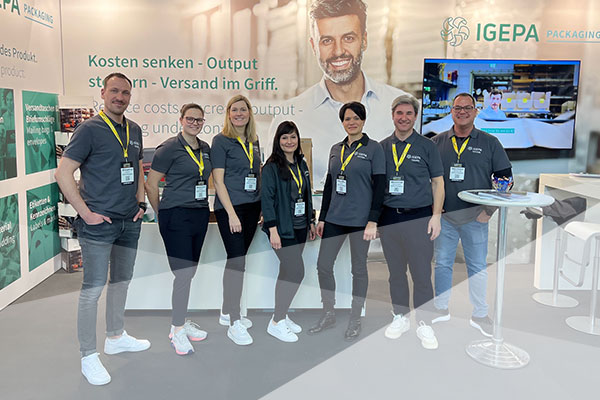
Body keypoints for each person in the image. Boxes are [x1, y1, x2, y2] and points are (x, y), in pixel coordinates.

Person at [54, 72, 150, 386]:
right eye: (114, 91)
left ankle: (116, 336)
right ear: (103, 93)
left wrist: (140, 204)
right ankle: (88, 355)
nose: (120, 97)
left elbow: (137, 169)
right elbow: (63, 173)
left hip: (129, 222)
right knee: (92, 290)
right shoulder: (88, 129)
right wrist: (85, 213)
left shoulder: (134, 130)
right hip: (98, 225)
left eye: (125, 92)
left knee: (121, 282)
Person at [268, 0, 407, 189]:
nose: (338, 51)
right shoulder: (290, 116)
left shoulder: (401, 109)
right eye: (327, 41)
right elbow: (273, 186)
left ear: (364, 40)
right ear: (313, 46)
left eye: (348, 38)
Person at [431, 93, 512, 337]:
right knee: (442, 264)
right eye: (458, 108)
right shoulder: (437, 142)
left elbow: (505, 179)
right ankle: (440, 308)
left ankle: (480, 314)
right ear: (452, 111)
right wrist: (433, 210)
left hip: (476, 218)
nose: (462, 111)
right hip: (445, 218)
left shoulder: (490, 142)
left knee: (477, 267)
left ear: (476, 111)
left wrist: (489, 211)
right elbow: (427, 179)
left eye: (468, 108)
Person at [307, 101, 385, 341]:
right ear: (342, 122)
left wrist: (373, 220)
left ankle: (355, 317)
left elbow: (380, 187)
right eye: (347, 118)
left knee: (358, 269)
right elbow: (330, 185)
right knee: (323, 265)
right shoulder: (335, 148)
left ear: (363, 120)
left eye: (356, 118)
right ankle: (328, 312)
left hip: (361, 220)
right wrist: (323, 217)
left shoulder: (374, 149)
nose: (352, 122)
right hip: (335, 218)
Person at [145, 103, 212, 355]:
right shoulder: (168, 148)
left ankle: (182, 320)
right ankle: (177, 329)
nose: (195, 123)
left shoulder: (205, 148)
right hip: (175, 215)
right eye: (190, 119)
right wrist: (161, 213)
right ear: (181, 120)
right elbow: (151, 184)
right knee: (183, 274)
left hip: (200, 213)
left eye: (199, 120)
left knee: (189, 271)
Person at [378, 94, 444, 349]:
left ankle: (425, 322)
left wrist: (436, 216)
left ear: (415, 117)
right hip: (389, 217)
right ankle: (400, 316)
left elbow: (438, 183)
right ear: (392, 116)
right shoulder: (382, 147)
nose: (403, 118)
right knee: (396, 273)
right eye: (399, 113)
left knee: (421, 273)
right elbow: (375, 186)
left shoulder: (427, 146)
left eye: (408, 113)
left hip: (419, 218)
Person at [212, 95, 262, 346]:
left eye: (243, 109)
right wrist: (231, 213)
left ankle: (226, 311)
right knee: (237, 261)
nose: (239, 114)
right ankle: (234, 320)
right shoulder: (221, 141)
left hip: (253, 207)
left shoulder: (254, 140)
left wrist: (262, 206)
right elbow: (218, 181)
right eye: (235, 110)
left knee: (237, 261)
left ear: (249, 113)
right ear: (228, 114)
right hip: (230, 209)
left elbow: (257, 172)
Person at [261, 121, 317, 342]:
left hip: (300, 227)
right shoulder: (271, 167)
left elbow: (307, 193)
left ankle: (281, 316)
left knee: (286, 272)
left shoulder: (301, 163)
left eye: (293, 137)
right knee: (296, 272)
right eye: (284, 137)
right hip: (282, 229)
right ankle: (276, 321)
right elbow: (267, 200)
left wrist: (311, 221)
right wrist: (272, 230)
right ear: (278, 140)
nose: (289, 141)